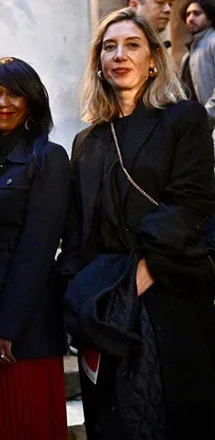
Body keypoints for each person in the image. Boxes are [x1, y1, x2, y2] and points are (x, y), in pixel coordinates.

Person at [59, 8, 215, 439]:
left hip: (167, 292)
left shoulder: (184, 120)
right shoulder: (86, 141)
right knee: (111, 421)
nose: (120, 55)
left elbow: (191, 204)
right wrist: (78, 301)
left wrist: (142, 274)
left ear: (153, 60)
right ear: (98, 63)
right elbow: (76, 232)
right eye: (109, 47)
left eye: (132, 45)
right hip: (102, 307)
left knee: (170, 416)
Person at [0, 57, 69, 440]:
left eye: (13, 94)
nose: (2, 103)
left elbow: (38, 251)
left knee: (27, 423)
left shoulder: (48, 158)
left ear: (31, 102)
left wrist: (7, 327)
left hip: (25, 326)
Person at [182, 0, 215, 128]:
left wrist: (207, 114)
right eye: (187, 15)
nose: (190, 18)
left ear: (210, 17)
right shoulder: (190, 53)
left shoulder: (212, 42)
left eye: (196, 13)